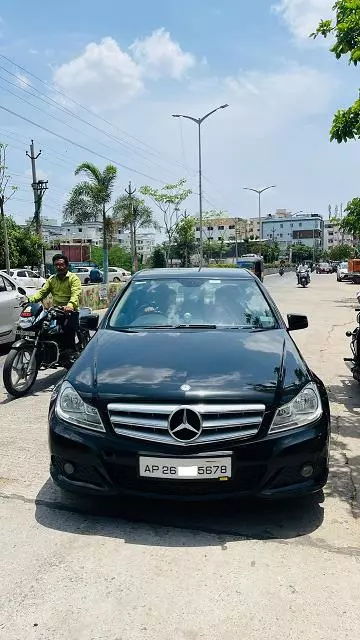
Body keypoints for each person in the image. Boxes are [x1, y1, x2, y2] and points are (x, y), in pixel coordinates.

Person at [28, 254, 82, 351]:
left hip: (70, 312)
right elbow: (42, 292)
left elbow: (75, 294)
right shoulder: (52, 279)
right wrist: (30, 300)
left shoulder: (73, 279)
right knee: (44, 330)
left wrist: (70, 305)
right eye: (56, 265)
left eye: (61, 265)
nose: (59, 267)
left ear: (66, 265)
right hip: (56, 311)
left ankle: (71, 355)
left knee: (68, 334)